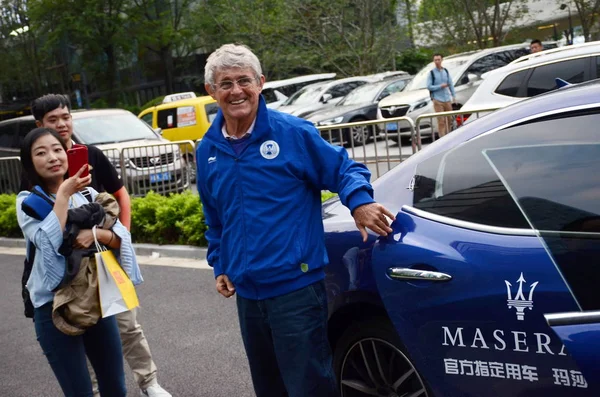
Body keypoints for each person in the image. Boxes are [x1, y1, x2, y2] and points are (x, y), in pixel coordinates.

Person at [196, 43, 396, 397]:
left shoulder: (292, 133)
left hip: (296, 291)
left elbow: (345, 169)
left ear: (261, 83)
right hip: (248, 295)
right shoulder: (207, 149)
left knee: (309, 388)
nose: (236, 91)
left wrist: (360, 203)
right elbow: (215, 217)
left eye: (244, 81)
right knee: (269, 388)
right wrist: (220, 263)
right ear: (212, 91)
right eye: (225, 83)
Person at [27, 94, 171, 397]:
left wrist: (113, 239)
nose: (62, 125)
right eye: (53, 120)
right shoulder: (34, 185)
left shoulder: (89, 155)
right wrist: (65, 196)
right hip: (65, 277)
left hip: (104, 259)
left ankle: (149, 383)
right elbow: (45, 237)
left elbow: (120, 196)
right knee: (79, 334)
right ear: (40, 125)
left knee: (127, 324)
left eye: (65, 117)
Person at [16, 127, 142, 396]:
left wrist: (96, 233)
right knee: (80, 392)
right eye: (41, 152)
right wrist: (62, 194)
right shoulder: (27, 202)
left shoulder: (86, 195)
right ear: (29, 163)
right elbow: (49, 242)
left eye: (57, 149)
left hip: (95, 300)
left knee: (115, 388)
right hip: (53, 308)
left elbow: (122, 240)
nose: (52, 157)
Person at [427, 53, 456, 137]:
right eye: (435, 60)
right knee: (441, 121)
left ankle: (449, 135)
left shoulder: (445, 71)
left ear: (442, 60)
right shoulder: (431, 73)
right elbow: (429, 86)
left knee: (449, 119)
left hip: (447, 98)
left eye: (438, 59)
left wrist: (453, 95)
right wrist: (440, 86)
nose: (437, 61)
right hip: (437, 99)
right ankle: (442, 137)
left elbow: (450, 83)